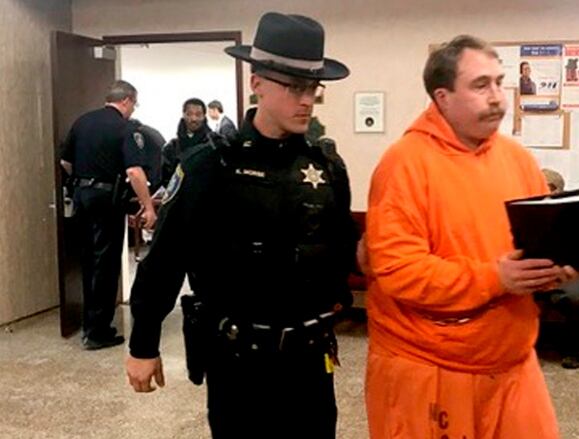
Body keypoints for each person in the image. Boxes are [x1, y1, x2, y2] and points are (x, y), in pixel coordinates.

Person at [125, 12, 356, 439]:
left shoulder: (326, 168)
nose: (305, 100)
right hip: (239, 361)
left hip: (310, 362)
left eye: (312, 89)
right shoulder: (208, 168)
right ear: (257, 83)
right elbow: (166, 258)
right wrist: (144, 341)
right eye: (293, 87)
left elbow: (341, 244)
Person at [363, 35, 579, 438]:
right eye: (481, 85)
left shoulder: (517, 159)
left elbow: (533, 245)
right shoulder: (404, 164)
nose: (497, 97)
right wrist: (495, 277)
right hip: (431, 366)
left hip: (512, 359)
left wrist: (549, 270)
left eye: (500, 82)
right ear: (442, 97)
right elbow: (398, 271)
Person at [59, 80, 157, 350]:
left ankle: (88, 325)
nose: (133, 110)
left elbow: (65, 162)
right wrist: (148, 207)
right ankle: (98, 331)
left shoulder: (82, 122)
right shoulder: (125, 128)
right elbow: (135, 172)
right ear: (126, 100)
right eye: (133, 105)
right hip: (106, 200)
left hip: (81, 197)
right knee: (106, 264)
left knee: (88, 261)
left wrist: (83, 181)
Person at [538, 168, 579, 370]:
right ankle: (525, 349)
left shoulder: (576, 213)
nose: (546, 192)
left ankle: (574, 349)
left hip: (572, 268)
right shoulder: (526, 211)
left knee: (576, 298)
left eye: (550, 188)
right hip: (537, 269)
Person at [161, 98, 212, 186]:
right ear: (183, 115)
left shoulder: (214, 145)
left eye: (198, 114)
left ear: (204, 116)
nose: (193, 119)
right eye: (189, 114)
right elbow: (165, 178)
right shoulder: (172, 147)